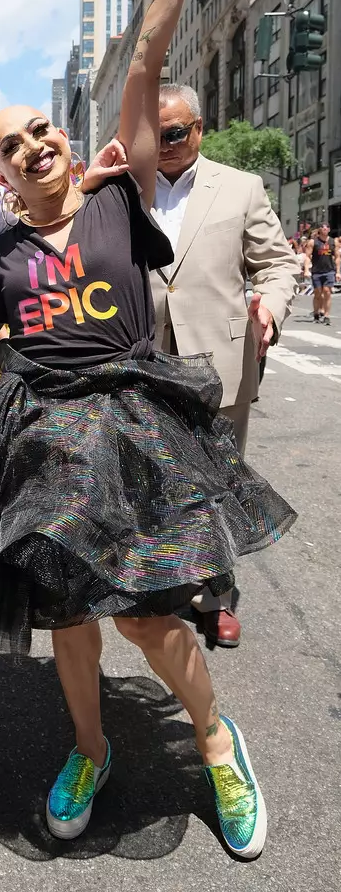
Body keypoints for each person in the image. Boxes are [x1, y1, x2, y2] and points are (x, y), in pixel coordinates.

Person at [0, 0, 295, 861]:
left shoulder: (121, 194)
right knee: (67, 622)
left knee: (146, 614)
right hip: (41, 445)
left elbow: (146, 61)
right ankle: (90, 751)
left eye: (40, 132)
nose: (32, 143)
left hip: (134, 430)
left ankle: (218, 741)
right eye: (10, 143)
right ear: (4, 175)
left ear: (66, 142)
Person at [150, 83, 299, 647]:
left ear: (199, 129)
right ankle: (161, 581)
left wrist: (272, 312)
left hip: (223, 361)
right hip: (146, 361)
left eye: (176, 132)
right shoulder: (122, 189)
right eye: (155, 133)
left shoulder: (240, 187)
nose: (164, 143)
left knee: (217, 483)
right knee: (155, 477)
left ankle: (215, 595)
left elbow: (278, 265)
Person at [303, 222, 340, 324]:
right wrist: (306, 269)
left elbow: (337, 257)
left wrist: (338, 272)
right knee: (318, 293)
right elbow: (307, 256)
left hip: (329, 271)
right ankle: (316, 314)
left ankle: (326, 316)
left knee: (327, 292)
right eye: (322, 227)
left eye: (327, 227)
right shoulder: (313, 242)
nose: (325, 229)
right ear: (319, 230)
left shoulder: (333, 242)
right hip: (317, 271)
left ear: (329, 229)